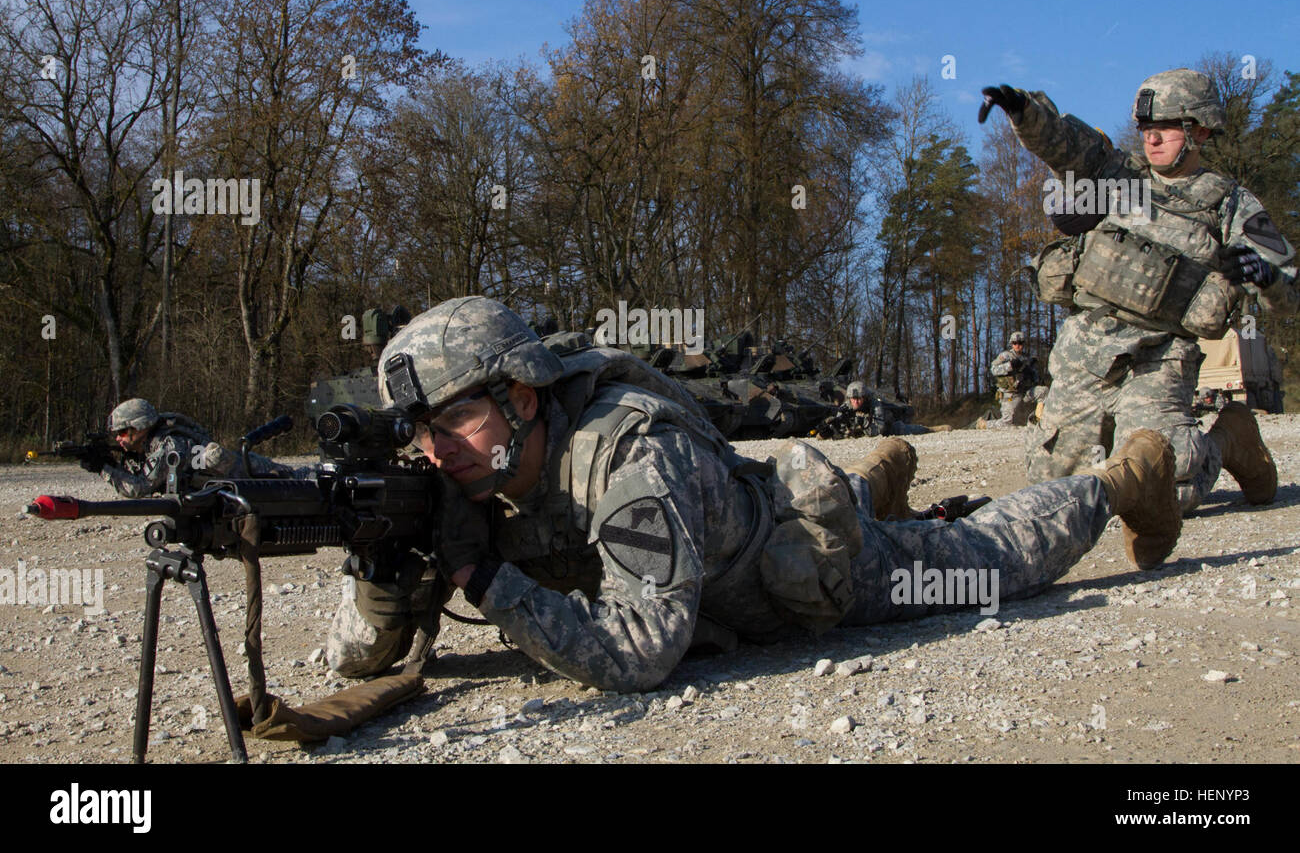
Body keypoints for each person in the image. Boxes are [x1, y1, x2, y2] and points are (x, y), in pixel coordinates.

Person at [326, 296, 1182, 691]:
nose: (433, 450)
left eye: (455, 419)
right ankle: (875, 477)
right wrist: (384, 567)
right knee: (850, 489)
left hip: (799, 567)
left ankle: (1118, 482)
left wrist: (481, 580)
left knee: (985, 565)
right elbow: (350, 660)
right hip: (732, 530)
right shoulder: (453, 477)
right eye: (418, 430)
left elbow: (640, 654)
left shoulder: (626, 454)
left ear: (520, 397)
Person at [979, 69, 1296, 513]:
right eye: (1146, 128)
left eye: (1165, 126)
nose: (1152, 137)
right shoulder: (1118, 174)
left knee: (1168, 490)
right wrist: (1023, 111)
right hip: (1088, 350)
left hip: (1159, 358)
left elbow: (1288, 291)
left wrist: (1266, 277)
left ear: (1198, 129)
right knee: (1055, 489)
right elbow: (1065, 143)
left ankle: (1230, 440)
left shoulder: (1230, 204)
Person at [89, 398, 299, 498]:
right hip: (230, 483)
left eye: (123, 432)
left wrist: (103, 468)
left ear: (141, 427)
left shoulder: (169, 445)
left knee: (297, 480)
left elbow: (139, 487)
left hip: (247, 473)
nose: (118, 438)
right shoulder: (150, 444)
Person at [983, 332, 1043, 428]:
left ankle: (1037, 419)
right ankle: (985, 424)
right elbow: (993, 370)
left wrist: (1034, 374)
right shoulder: (1006, 356)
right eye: (1015, 343)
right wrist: (1009, 366)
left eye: (1020, 343)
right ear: (1011, 344)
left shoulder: (1026, 358)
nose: (1018, 346)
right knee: (1007, 423)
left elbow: (1034, 375)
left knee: (1043, 391)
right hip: (1010, 394)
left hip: (1024, 392)